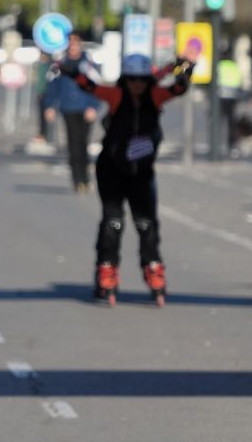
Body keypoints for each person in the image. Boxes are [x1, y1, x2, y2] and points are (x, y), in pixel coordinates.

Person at [68, 52, 192, 306]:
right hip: (111, 169)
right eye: (132, 79)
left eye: (142, 80)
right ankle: (106, 270)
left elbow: (178, 88)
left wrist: (185, 69)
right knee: (113, 222)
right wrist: (68, 70)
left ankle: (153, 269)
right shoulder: (116, 95)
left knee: (146, 224)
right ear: (125, 79)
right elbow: (90, 86)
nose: (137, 85)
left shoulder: (154, 97)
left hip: (142, 172)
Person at [42, 33, 100, 192]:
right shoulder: (59, 64)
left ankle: (85, 177)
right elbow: (52, 86)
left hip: (85, 107)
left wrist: (93, 106)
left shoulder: (88, 64)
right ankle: (77, 179)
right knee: (73, 144)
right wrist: (50, 106)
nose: (73, 46)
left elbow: (96, 87)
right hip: (68, 108)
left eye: (76, 42)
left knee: (83, 143)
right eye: (71, 43)